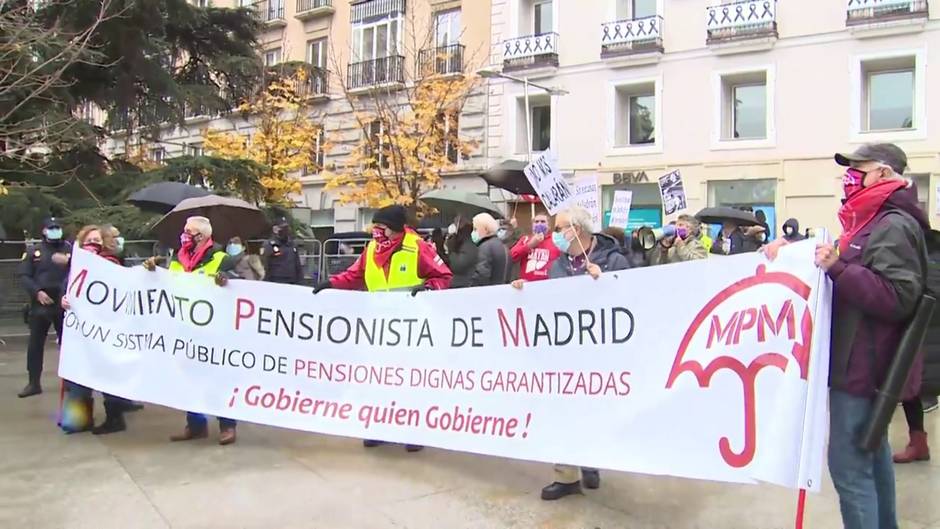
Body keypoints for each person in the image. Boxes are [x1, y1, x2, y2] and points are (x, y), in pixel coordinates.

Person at [765, 143, 927, 529]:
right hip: (864, 365)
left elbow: (898, 297)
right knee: (871, 456)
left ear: (885, 175)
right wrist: (797, 253)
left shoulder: (892, 224)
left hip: (865, 370)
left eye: (859, 170)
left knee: (850, 468)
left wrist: (838, 268)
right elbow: (844, 261)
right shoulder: (871, 221)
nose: (849, 178)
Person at [512, 206, 630, 500]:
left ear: (576, 229)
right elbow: (551, 300)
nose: (555, 234)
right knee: (561, 411)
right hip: (565, 355)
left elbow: (632, 298)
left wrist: (606, 281)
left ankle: (591, 462)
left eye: (559, 227)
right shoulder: (558, 265)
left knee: (593, 411)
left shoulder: (613, 260)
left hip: (600, 355)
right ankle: (565, 476)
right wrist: (525, 290)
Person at [314, 205, 452, 452]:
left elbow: (443, 276)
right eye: (375, 227)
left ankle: (415, 431)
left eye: (381, 227)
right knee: (379, 380)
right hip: (379, 327)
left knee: (410, 381)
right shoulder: (371, 250)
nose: (376, 232)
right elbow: (354, 275)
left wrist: (430, 289)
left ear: (396, 229)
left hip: (411, 327)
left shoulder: (417, 247)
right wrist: (330, 284)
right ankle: (379, 427)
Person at [144, 216, 240, 446]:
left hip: (214, 329)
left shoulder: (221, 258)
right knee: (188, 378)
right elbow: (168, 284)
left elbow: (239, 287)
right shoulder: (177, 257)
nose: (184, 235)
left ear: (203, 236)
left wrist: (226, 281)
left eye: (190, 231)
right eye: (185, 231)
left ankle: (227, 425)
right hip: (184, 328)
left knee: (218, 379)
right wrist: (154, 270)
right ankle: (195, 425)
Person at [59, 225, 131, 434]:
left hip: (104, 330)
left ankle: (115, 418)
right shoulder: (75, 267)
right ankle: (80, 418)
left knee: (108, 374)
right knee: (78, 374)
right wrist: (64, 299)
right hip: (80, 331)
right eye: (90, 239)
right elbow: (67, 288)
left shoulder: (110, 265)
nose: (94, 243)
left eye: (98, 240)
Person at [894, 229, 940, 464]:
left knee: (911, 389)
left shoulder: (925, 265)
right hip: (926, 336)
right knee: (912, 391)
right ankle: (918, 442)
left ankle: (918, 443)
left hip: (923, 337)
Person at [17, 217, 71, 398]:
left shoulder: (70, 250)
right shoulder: (34, 252)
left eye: (57, 228)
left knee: (68, 345)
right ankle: (33, 383)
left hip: (64, 303)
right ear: (44, 231)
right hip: (41, 303)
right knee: (35, 345)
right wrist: (37, 292)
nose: (55, 230)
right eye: (51, 228)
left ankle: (72, 382)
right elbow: (24, 276)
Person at [509, 213, 560, 282]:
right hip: (527, 284)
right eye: (536, 222)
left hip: (549, 284)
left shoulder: (556, 240)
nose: (539, 224)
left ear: (549, 226)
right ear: (533, 226)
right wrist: (529, 245)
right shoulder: (525, 239)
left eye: (543, 221)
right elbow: (511, 256)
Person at [470, 213, 509, 287]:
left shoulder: (485, 247)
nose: (473, 232)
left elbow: (481, 276)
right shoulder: (504, 246)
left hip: (487, 294)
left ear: (486, 229)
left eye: (475, 229)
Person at [262, 218, 304, 284]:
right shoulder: (269, 244)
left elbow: (297, 263)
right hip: (276, 280)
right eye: (282, 228)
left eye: (286, 227)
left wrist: (300, 279)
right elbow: (265, 264)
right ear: (275, 229)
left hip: (292, 279)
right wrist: (266, 281)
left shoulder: (292, 244)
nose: (285, 230)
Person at [446, 220, 478, 288]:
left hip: (464, 284)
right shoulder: (462, 242)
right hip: (461, 282)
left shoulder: (469, 244)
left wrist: (451, 251)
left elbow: (458, 265)